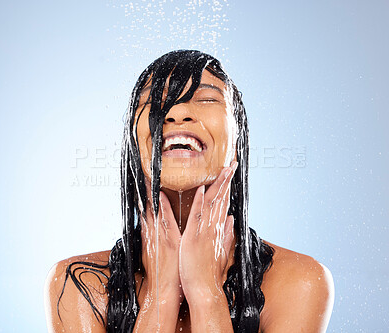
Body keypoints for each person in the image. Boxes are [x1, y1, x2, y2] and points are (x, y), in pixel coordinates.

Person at [45, 50, 334, 332]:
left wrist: (206, 291)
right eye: (154, 102)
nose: (177, 112)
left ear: (237, 141)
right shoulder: (80, 286)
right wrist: (161, 293)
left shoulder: (299, 280)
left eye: (207, 98)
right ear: (134, 143)